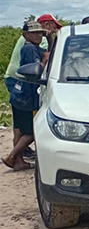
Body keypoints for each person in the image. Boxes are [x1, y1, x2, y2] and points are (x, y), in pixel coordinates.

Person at [5, 16, 53, 160]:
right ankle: (12, 157)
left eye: (40, 33)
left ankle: (18, 161)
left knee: (20, 130)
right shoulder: (30, 49)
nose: (38, 35)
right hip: (27, 97)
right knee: (32, 130)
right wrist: (44, 60)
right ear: (25, 34)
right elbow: (36, 71)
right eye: (34, 33)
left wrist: (49, 39)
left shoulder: (34, 47)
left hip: (20, 95)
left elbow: (49, 53)